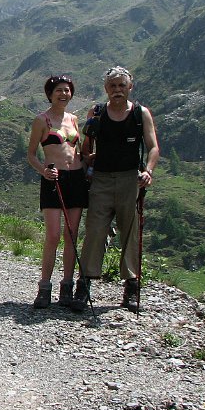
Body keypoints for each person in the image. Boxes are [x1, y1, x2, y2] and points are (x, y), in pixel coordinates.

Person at [71, 66, 159, 313]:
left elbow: (153, 147)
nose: (117, 90)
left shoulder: (141, 114)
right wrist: (88, 157)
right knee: (95, 230)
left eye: (122, 85)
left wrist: (148, 171)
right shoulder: (96, 113)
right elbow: (86, 147)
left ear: (130, 87)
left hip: (130, 179)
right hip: (100, 179)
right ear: (106, 88)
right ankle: (84, 284)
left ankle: (132, 286)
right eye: (113, 85)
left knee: (130, 230)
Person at [26, 75, 89, 308]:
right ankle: (44, 287)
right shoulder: (41, 121)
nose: (64, 94)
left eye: (67, 91)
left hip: (76, 179)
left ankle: (67, 286)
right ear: (50, 94)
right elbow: (31, 154)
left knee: (71, 236)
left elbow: (78, 150)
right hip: (53, 179)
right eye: (59, 91)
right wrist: (43, 171)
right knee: (52, 236)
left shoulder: (74, 119)